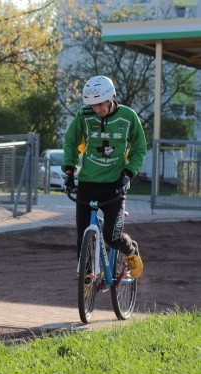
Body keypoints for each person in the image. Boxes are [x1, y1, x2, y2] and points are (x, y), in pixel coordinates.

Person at [62, 75, 146, 278]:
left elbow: (139, 148)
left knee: (111, 236)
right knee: (83, 236)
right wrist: (70, 170)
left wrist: (128, 173)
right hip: (88, 183)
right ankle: (88, 278)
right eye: (93, 104)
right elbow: (71, 141)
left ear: (111, 98)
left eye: (100, 104)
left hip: (114, 186)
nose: (97, 109)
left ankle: (130, 250)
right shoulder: (84, 115)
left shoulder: (128, 116)